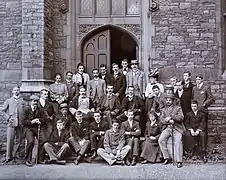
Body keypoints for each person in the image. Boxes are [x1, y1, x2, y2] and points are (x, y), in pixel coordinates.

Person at [158, 93, 185, 168]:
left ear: (173, 101)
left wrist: (172, 117)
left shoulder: (178, 108)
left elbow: (181, 117)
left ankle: (179, 161)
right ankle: (167, 157)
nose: (168, 101)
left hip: (177, 128)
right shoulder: (163, 109)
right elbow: (161, 119)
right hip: (168, 128)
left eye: (170, 100)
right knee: (161, 140)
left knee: (178, 141)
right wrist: (167, 121)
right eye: (167, 100)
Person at [22, 95, 50, 167]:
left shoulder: (40, 110)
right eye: (34, 101)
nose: (35, 103)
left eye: (36, 101)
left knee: (43, 140)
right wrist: (32, 122)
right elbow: (23, 121)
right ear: (30, 101)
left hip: (37, 127)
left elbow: (44, 119)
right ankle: (27, 159)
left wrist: (39, 121)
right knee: (31, 141)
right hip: (28, 128)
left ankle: (40, 159)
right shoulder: (26, 109)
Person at [1, 86, 26, 163]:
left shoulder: (23, 102)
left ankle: (15, 155)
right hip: (11, 122)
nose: (16, 91)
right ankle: (9, 156)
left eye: (18, 90)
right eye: (15, 90)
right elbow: (3, 111)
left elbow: (25, 112)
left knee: (19, 140)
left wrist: (23, 119)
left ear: (19, 91)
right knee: (10, 139)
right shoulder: (8, 101)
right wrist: (8, 118)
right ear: (12, 91)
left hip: (20, 123)